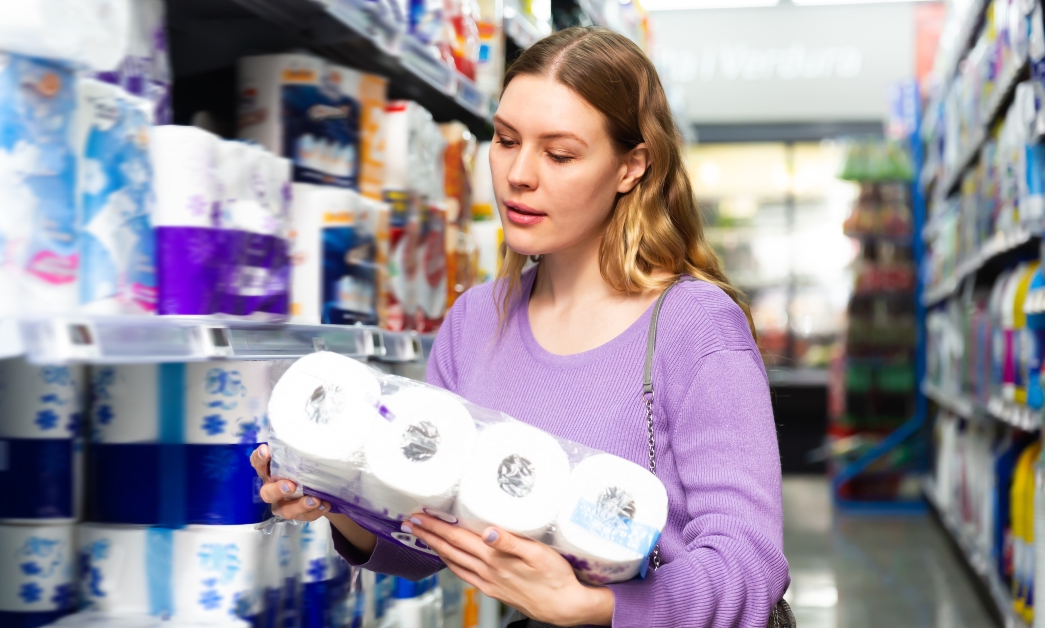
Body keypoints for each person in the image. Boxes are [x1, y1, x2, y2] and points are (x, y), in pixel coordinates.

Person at [252, 26, 790, 627]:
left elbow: (750, 564)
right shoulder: (475, 322)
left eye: (559, 154)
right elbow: (430, 536)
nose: (519, 174)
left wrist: (594, 606)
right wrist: (334, 494)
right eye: (506, 141)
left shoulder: (696, 326)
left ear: (631, 167)